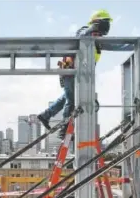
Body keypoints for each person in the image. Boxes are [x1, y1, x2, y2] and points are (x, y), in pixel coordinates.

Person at [37, 10, 113, 139]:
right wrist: (91, 29)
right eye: (105, 24)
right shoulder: (85, 31)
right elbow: (80, 35)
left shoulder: (97, 40)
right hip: (71, 71)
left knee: (66, 97)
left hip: (77, 74)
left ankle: (46, 115)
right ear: (97, 23)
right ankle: (65, 129)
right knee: (72, 100)